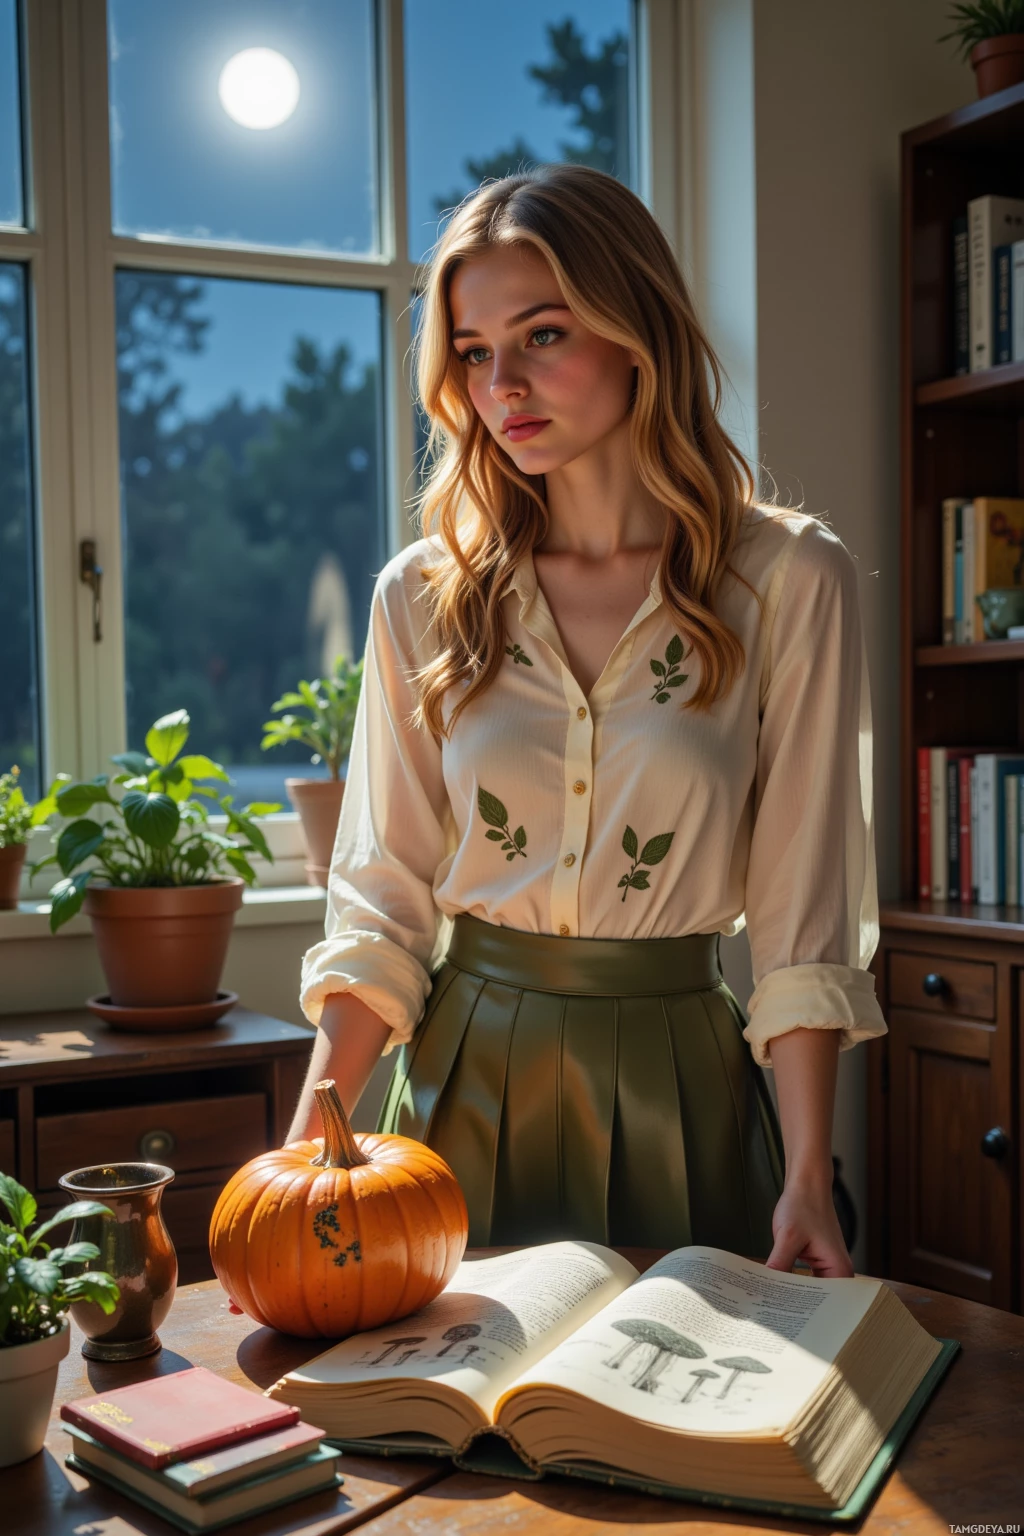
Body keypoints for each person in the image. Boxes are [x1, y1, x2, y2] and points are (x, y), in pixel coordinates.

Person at [288, 162, 888, 1280]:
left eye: (543, 335)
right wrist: (302, 1142)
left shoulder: (787, 580)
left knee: (677, 1420)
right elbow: (381, 895)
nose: (501, 383)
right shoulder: (422, 595)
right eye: (472, 352)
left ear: (636, 332)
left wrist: (809, 1172)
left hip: (681, 1080)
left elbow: (804, 912)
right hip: (463, 1073)